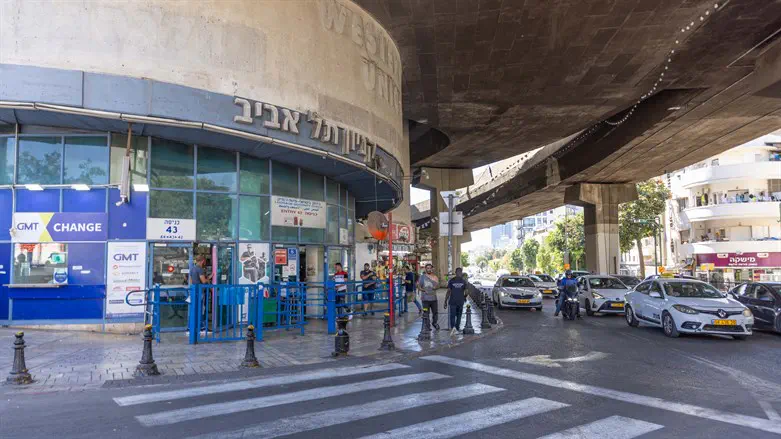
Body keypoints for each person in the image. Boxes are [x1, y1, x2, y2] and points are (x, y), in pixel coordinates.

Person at [191, 255, 213, 329]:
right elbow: (203, 281)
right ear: (203, 261)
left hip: (194, 291)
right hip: (200, 292)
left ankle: (193, 326)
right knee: (201, 309)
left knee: (195, 308)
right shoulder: (200, 269)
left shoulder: (192, 269)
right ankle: (201, 326)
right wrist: (209, 279)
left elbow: (191, 281)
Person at [444, 268, 467, 334]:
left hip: (452, 301)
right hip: (460, 301)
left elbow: (448, 291)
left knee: (452, 316)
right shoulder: (463, 281)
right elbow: (467, 292)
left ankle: (453, 328)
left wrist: (445, 301)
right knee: (459, 316)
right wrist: (464, 297)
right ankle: (457, 328)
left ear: (455, 272)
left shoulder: (451, 281)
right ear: (460, 273)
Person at [417, 263, 440, 330]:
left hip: (433, 298)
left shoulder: (435, 277)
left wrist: (436, 287)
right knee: (426, 313)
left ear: (432, 269)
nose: (429, 269)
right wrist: (421, 289)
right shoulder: (422, 277)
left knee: (435, 313)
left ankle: (434, 323)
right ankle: (427, 326)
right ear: (425, 269)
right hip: (425, 299)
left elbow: (438, 285)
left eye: (430, 268)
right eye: (428, 268)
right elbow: (418, 285)